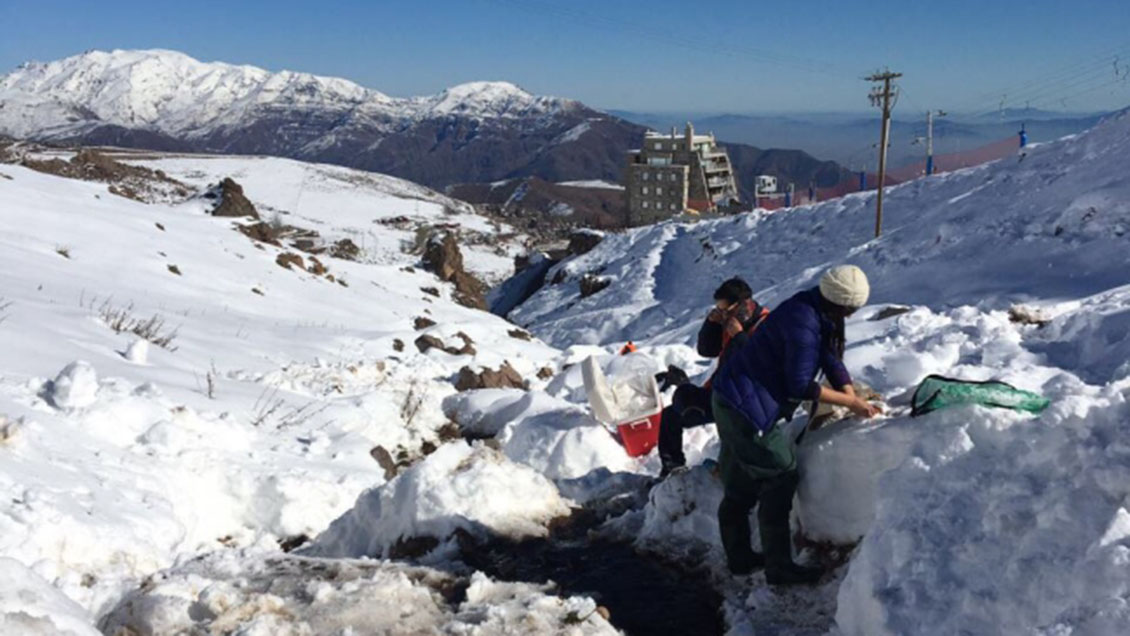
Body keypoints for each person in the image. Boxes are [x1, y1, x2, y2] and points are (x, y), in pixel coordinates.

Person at [711, 265, 881, 584]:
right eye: (853, 309)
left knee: (739, 482)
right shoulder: (804, 322)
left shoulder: (811, 305)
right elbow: (800, 386)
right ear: (842, 304)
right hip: (748, 410)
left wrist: (846, 387)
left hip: (730, 398)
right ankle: (779, 568)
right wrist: (854, 403)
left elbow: (827, 356)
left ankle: (740, 558)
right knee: (780, 476)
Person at [658, 277, 768, 477]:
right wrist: (712, 323)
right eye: (720, 310)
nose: (724, 315)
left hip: (746, 399)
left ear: (744, 306)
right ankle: (672, 467)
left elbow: (759, 363)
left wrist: (739, 336)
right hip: (722, 392)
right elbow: (707, 350)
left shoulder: (765, 326)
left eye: (727, 310)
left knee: (685, 401)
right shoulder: (732, 323)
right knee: (671, 414)